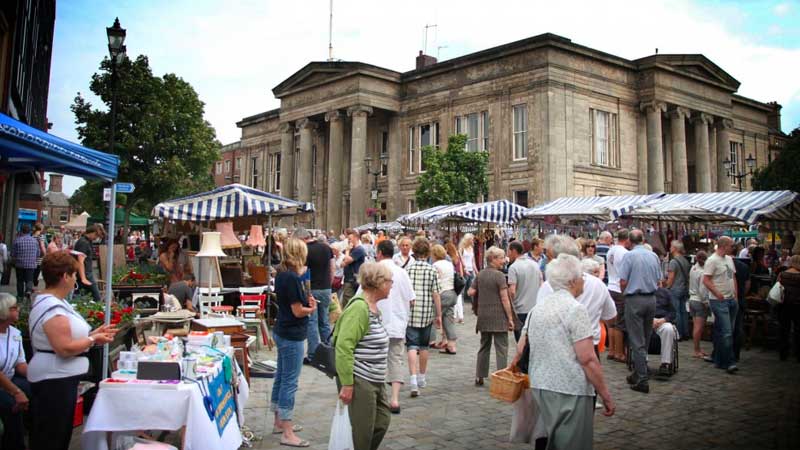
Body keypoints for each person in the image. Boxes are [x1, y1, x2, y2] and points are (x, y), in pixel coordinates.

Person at [508, 254, 615, 450]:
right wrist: (605, 394)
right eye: (581, 276)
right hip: (569, 389)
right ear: (572, 281)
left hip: (541, 385)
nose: (584, 279)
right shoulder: (575, 309)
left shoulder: (537, 309)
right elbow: (588, 359)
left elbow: (522, 346)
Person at [28, 251, 117, 450]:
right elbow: (64, 347)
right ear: (65, 276)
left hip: (59, 378)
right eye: (74, 274)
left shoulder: (56, 303)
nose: (76, 278)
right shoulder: (52, 308)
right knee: (52, 437)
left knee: (58, 434)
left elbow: (68, 340)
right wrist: (92, 338)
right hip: (53, 380)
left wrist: (93, 334)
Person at [334, 262, 392, 450]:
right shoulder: (360, 308)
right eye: (390, 282)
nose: (392, 285)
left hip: (376, 377)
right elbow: (344, 346)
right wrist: (347, 384)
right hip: (361, 379)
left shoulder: (374, 308)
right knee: (362, 432)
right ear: (379, 283)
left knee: (382, 421)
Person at [271, 237, 316, 447]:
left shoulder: (282, 275)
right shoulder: (292, 278)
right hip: (292, 333)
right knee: (290, 381)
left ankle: (279, 421)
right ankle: (287, 432)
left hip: (282, 329)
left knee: (281, 377)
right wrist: (311, 309)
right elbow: (298, 311)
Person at [618, 229, 662, 394]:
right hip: (651, 298)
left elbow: (623, 281)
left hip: (635, 298)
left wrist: (625, 292)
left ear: (629, 241)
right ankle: (638, 372)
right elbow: (659, 280)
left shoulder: (629, 256)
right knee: (645, 336)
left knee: (637, 340)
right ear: (643, 239)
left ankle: (642, 378)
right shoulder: (653, 256)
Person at [374, 240, 414, 413]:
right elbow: (411, 298)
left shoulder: (373, 271)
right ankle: (395, 399)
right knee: (395, 359)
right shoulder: (401, 272)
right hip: (397, 322)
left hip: (376, 323)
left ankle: (378, 396)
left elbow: (360, 297)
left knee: (375, 359)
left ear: (380, 253)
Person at [469, 246, 515, 386]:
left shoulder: (480, 274)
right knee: (501, 348)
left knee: (484, 346)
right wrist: (510, 318)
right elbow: (504, 298)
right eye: (501, 258)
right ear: (493, 259)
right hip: (499, 316)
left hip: (484, 316)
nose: (503, 261)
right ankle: (501, 378)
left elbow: (470, 292)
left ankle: (480, 376)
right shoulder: (499, 276)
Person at [405, 238, 442, 397]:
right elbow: (436, 294)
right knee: (424, 346)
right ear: (427, 253)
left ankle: (412, 379)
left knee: (412, 346)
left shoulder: (409, 269)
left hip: (411, 312)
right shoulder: (432, 270)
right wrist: (439, 314)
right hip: (427, 312)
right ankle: (422, 377)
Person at [702, 236, 739, 374]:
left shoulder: (729, 259)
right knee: (727, 332)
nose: (733, 247)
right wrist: (717, 293)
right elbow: (706, 280)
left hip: (730, 299)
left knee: (721, 330)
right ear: (724, 246)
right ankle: (729, 361)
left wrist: (735, 295)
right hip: (719, 300)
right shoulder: (712, 260)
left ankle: (717, 357)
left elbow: (732, 277)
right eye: (731, 245)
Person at [0, 293, 30, 450]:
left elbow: (20, 364)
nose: (18, 309)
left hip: (10, 379)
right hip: (3, 383)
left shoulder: (15, 333)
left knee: (37, 390)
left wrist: (38, 376)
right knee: (11, 403)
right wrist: (16, 392)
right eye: (13, 308)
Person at [300, 227, 334, 362]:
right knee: (324, 321)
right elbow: (332, 267)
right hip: (326, 288)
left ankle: (313, 354)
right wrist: (329, 284)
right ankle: (328, 352)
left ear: (303, 239)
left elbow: (303, 271)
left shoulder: (305, 251)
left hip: (312, 289)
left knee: (312, 322)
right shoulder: (327, 248)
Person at [507, 241, 542, 342]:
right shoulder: (535, 265)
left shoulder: (513, 267)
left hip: (520, 309)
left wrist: (510, 305)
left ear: (513, 251)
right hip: (534, 308)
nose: (508, 254)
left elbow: (512, 291)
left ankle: (522, 358)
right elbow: (541, 284)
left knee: (521, 341)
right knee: (532, 341)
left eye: (509, 251)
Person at [431, 244, 458, 354]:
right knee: (449, 319)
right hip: (452, 293)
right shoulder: (449, 263)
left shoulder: (435, 265)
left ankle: (430, 341)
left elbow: (435, 282)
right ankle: (451, 345)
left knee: (431, 317)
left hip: (442, 294)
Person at [665, 240, 691, 340]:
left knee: (676, 311)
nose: (670, 248)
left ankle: (678, 333)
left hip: (675, 288)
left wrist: (667, 287)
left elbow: (671, 277)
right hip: (684, 288)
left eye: (671, 246)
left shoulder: (673, 262)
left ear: (675, 249)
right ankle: (686, 332)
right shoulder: (685, 261)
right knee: (683, 311)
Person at [777, 255, 800, 361]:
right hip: (797, 304)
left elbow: (778, 286)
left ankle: (783, 353)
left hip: (784, 304)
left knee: (784, 329)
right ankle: (797, 353)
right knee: (798, 329)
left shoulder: (783, 274)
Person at [652, 288, 678, 380]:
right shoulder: (642, 292)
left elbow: (673, 312)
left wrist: (663, 320)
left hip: (662, 321)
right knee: (639, 329)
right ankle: (642, 362)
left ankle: (665, 364)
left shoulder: (666, 293)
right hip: (646, 320)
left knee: (668, 329)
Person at [688, 251, 710, 358]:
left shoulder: (693, 268)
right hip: (699, 301)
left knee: (695, 326)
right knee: (699, 327)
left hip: (692, 299)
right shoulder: (703, 272)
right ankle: (697, 350)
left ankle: (697, 348)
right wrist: (706, 302)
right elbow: (703, 289)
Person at [73, 224, 104, 302]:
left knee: (81, 297)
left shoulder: (87, 241)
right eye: (96, 235)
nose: (96, 238)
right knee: (97, 298)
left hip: (85, 274)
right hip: (85, 275)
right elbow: (80, 261)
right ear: (92, 232)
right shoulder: (84, 242)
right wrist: (83, 278)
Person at [11, 224, 41, 299]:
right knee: (29, 280)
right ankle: (28, 291)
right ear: (30, 231)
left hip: (20, 264)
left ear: (21, 231)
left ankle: (20, 296)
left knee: (20, 281)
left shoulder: (17, 240)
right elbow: (38, 254)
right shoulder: (35, 241)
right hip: (31, 265)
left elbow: (13, 254)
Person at [342, 230, 367, 308]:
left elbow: (346, 260)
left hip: (353, 280)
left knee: (348, 302)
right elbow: (342, 263)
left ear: (356, 238)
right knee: (347, 300)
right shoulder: (352, 249)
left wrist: (347, 251)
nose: (348, 241)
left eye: (350, 239)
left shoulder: (359, 250)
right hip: (349, 278)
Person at [446, 242, 465, 323]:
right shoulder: (457, 257)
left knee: (453, 298)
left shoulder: (448, 259)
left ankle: (453, 315)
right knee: (459, 298)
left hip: (451, 279)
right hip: (458, 279)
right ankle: (460, 316)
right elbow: (461, 269)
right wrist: (461, 277)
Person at [32, 223, 47, 287]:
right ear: (41, 229)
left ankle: (30, 288)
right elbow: (42, 246)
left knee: (32, 275)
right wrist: (46, 255)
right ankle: (34, 288)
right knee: (36, 275)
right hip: (39, 258)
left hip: (32, 257)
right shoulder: (41, 236)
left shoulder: (32, 235)